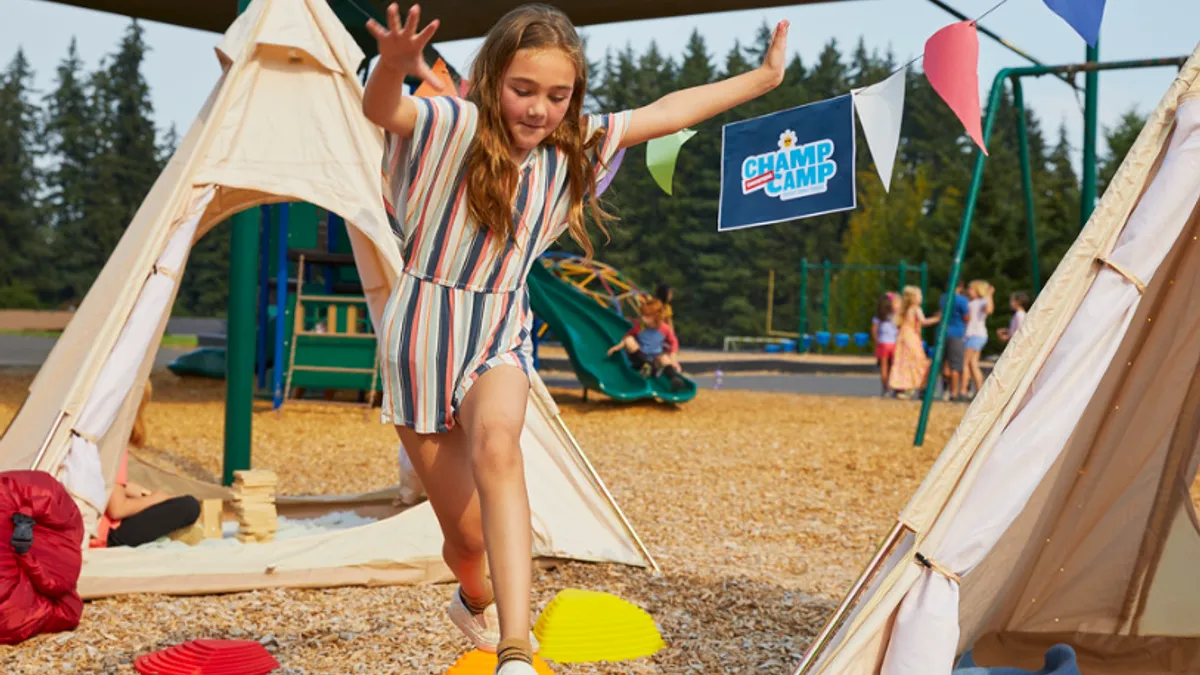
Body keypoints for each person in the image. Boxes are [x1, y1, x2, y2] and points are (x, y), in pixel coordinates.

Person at [361, 4, 789, 672]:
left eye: (557, 95)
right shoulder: (456, 124)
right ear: (493, 78)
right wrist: (391, 67)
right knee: (467, 540)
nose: (539, 110)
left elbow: (670, 110)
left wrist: (761, 79)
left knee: (500, 449)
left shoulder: (576, 145)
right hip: (421, 331)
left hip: (499, 325)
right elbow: (386, 111)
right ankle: (471, 595)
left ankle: (513, 648)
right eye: (523, 90)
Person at [89, 381, 201, 549]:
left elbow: (100, 481)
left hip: (94, 525)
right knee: (189, 506)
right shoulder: (114, 443)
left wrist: (125, 488)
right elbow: (117, 509)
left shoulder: (94, 434)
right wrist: (153, 499)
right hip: (107, 535)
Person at [607, 297, 685, 390]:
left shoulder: (664, 329)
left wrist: (673, 359)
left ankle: (674, 379)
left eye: (647, 316)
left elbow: (674, 342)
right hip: (640, 359)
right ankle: (646, 366)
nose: (643, 318)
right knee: (629, 340)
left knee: (664, 358)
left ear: (656, 316)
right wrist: (617, 347)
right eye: (643, 315)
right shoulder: (639, 326)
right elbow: (627, 337)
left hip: (655, 360)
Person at [889, 286, 940, 399]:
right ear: (913, 298)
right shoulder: (916, 309)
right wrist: (937, 319)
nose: (921, 298)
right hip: (911, 338)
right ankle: (920, 386)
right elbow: (923, 322)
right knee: (918, 361)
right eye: (919, 295)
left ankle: (903, 386)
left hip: (902, 338)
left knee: (903, 361)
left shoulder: (904, 310)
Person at [937, 282, 971, 402]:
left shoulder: (943, 298)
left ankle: (945, 389)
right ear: (960, 286)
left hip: (943, 332)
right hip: (956, 333)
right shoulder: (962, 300)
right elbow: (966, 317)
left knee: (944, 364)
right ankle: (954, 392)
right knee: (955, 365)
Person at [963, 279, 994, 399]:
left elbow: (989, 310)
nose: (968, 291)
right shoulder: (971, 302)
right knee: (972, 364)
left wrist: (989, 295)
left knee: (965, 363)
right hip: (973, 335)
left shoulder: (982, 302)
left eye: (971, 289)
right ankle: (979, 391)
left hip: (975, 335)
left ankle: (964, 390)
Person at [870, 292, 900, 397]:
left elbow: (874, 331)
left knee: (883, 367)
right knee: (893, 366)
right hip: (894, 344)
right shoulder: (895, 316)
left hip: (883, 343)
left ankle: (885, 388)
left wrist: (876, 342)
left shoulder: (878, 317)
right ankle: (894, 386)